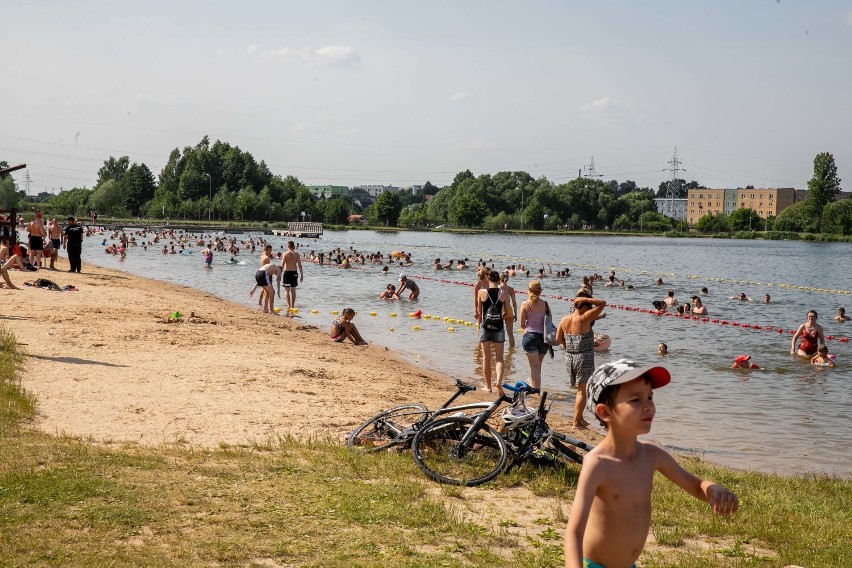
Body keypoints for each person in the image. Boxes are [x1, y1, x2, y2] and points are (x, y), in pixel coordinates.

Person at [565, 359, 738, 568]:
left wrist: (713, 489)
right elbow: (574, 532)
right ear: (605, 412)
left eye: (650, 397)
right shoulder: (598, 464)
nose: (648, 406)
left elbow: (694, 485)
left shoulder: (652, 455)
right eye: (636, 400)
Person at [556, 290, 607, 430]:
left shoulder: (564, 319)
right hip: (584, 357)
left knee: (579, 389)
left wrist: (570, 348)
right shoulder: (584, 318)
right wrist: (586, 298)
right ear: (584, 305)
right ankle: (576, 423)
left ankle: (580, 418)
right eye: (588, 305)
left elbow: (558, 339)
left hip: (570, 356)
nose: (591, 308)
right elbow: (602, 303)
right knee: (582, 391)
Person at [477, 270, 508, 393]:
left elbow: (480, 311)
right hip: (499, 327)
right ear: (498, 280)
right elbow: (506, 312)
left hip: (485, 327)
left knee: (486, 357)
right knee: (499, 358)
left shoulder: (481, 292)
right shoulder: (504, 293)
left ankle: (488, 386)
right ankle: (499, 381)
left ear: (488, 279)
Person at [518, 280, 548, 389]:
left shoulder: (525, 304)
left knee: (534, 367)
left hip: (530, 336)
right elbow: (549, 323)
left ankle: (536, 392)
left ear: (529, 291)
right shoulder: (545, 304)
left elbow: (522, 324)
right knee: (537, 366)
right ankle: (534, 385)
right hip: (544, 338)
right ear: (540, 292)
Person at [280, 241, 304, 311]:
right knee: (293, 291)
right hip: (294, 273)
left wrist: (279, 273)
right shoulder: (297, 254)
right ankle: (293, 306)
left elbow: (282, 265)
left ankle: (289, 306)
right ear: (293, 246)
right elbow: (300, 265)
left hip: (287, 273)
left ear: (288, 246)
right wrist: (302, 275)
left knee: (287, 290)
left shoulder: (285, 254)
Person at [500, 271, 518, 348]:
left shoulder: (498, 288)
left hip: (501, 310)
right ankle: (511, 351)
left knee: (497, 332)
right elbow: (514, 303)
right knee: (510, 334)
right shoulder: (511, 289)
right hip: (509, 310)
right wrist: (516, 314)